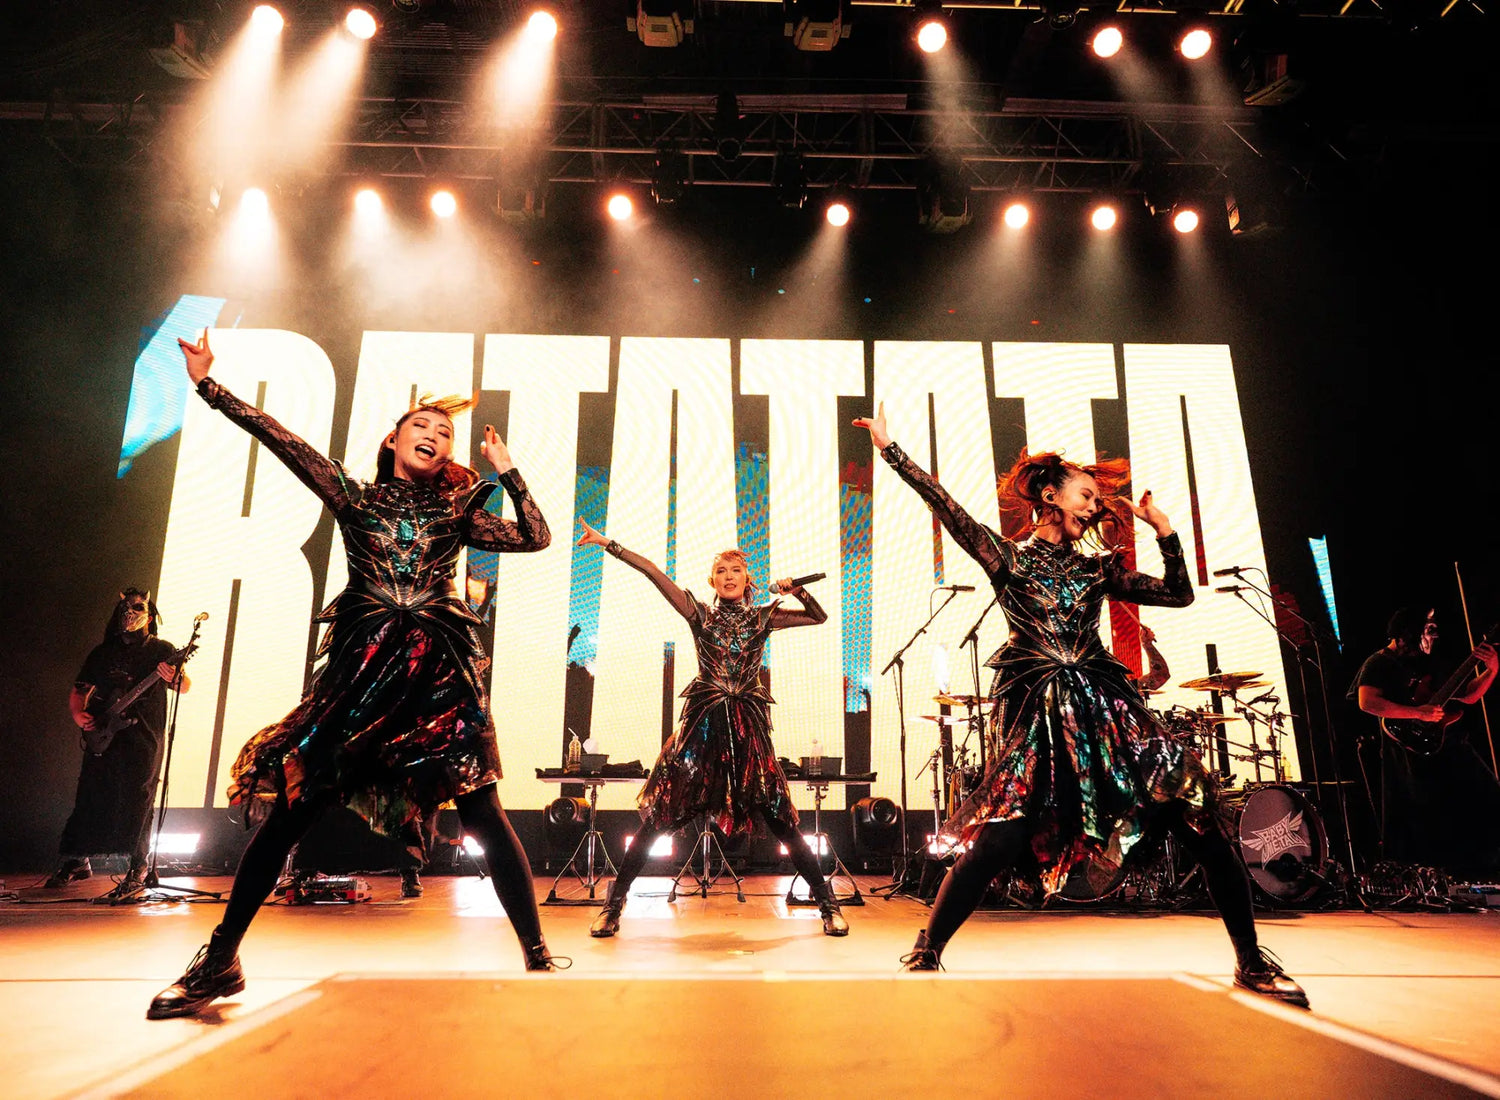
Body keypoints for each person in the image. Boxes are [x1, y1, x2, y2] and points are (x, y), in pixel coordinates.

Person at [147, 331, 559, 1021]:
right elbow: (281, 439)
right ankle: (219, 959)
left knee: (482, 809)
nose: (433, 434)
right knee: (292, 810)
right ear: (393, 440)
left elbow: (536, 536)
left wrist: (510, 471)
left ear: (449, 455)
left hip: (437, 684)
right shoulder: (354, 496)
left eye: (444, 432)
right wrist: (207, 385)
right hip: (359, 681)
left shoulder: (457, 512)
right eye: (421, 425)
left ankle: (540, 960)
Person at [853, 402, 1307, 1007]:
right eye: (1087, 493)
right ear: (1049, 494)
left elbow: (1178, 593)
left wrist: (1165, 532)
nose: (1096, 505)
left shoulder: (1095, 571)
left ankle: (1251, 960)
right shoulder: (1007, 560)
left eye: (1097, 497)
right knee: (996, 843)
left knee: (1197, 817)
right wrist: (891, 450)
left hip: (1110, 721)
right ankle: (927, 948)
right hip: (1042, 725)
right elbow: (945, 505)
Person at [574, 521, 849, 937]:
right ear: (713, 581)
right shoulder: (698, 614)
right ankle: (614, 903)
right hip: (703, 732)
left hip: (747, 732)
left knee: (780, 821)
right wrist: (606, 543)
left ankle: (827, 904)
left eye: (735, 570)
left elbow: (818, 616)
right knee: (661, 817)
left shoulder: (763, 618)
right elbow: (652, 570)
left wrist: (797, 590)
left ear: (747, 579)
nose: (728, 576)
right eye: (721, 571)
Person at [45, 590, 192, 896]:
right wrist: (78, 714)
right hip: (104, 734)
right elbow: (80, 689)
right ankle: (77, 860)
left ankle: (137, 865)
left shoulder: (160, 649)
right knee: (90, 792)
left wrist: (173, 676)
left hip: (144, 737)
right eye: (125, 607)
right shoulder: (103, 652)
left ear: (149, 616)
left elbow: (184, 685)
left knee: (138, 798)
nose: (130, 613)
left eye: (137, 608)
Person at [1349, 607, 1500, 876]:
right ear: (1408, 632)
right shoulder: (1379, 662)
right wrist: (1418, 713)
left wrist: (1492, 669)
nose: (1434, 635)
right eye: (1428, 629)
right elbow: (1367, 702)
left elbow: (1468, 696)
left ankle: (1481, 871)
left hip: (1449, 744)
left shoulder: (1430, 662)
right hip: (1408, 752)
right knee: (1424, 817)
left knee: (1488, 797)